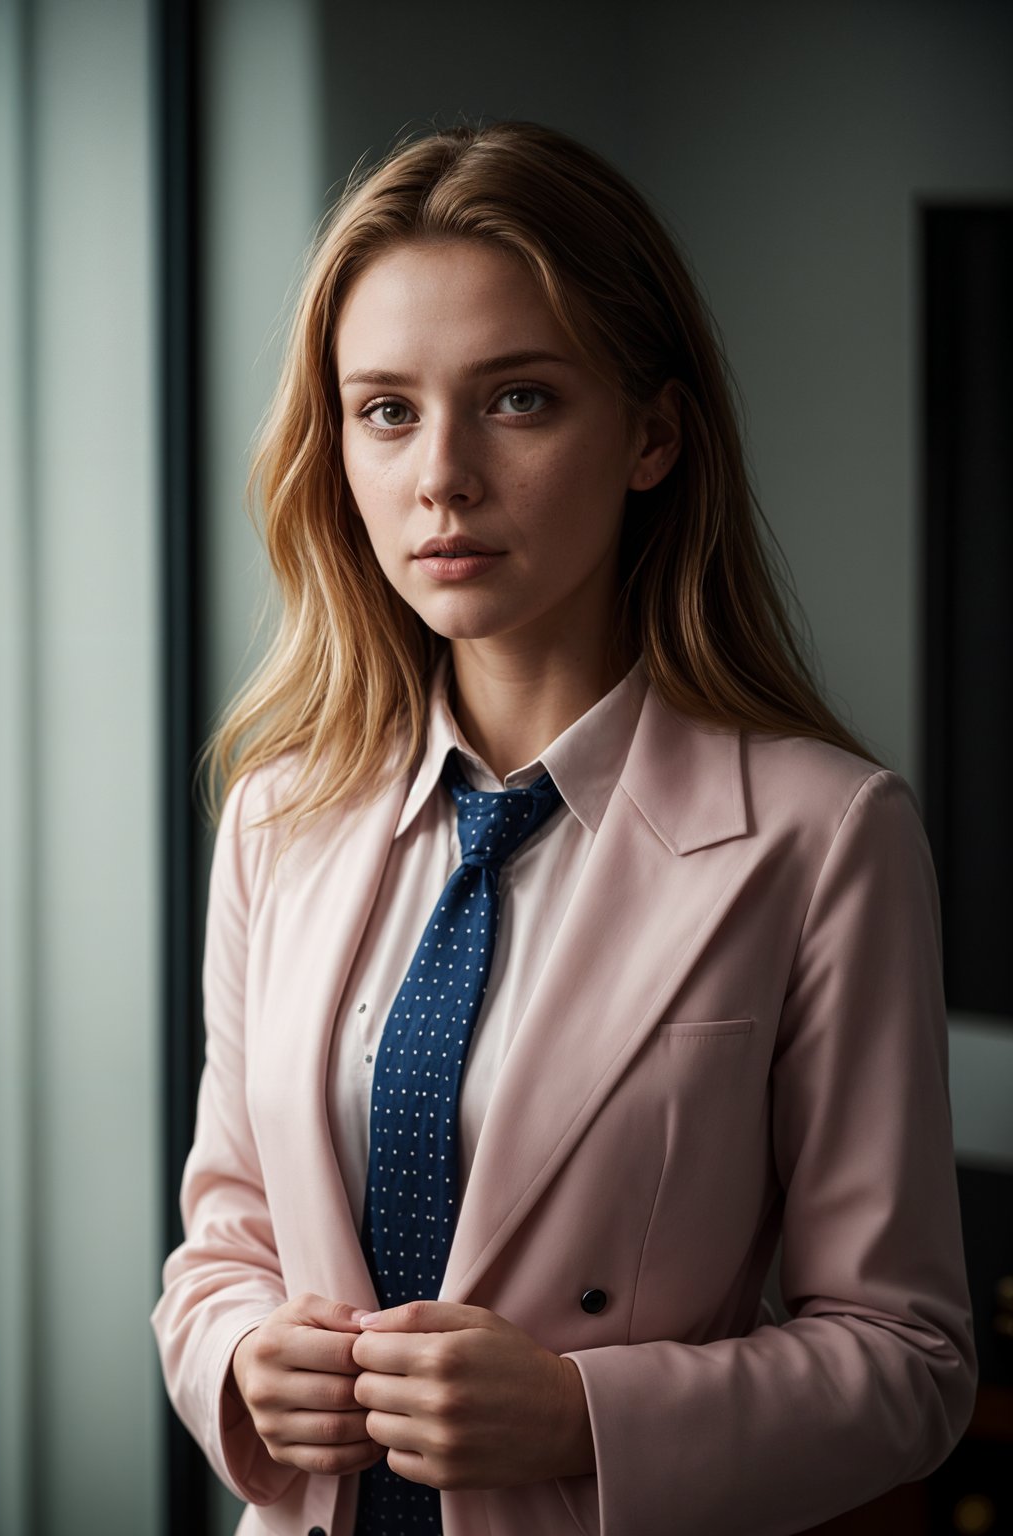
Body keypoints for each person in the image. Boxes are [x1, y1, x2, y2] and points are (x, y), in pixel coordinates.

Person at [151, 120, 976, 1536]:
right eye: (387, 410)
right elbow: (224, 1235)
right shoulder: (278, 813)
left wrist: (584, 1414)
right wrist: (235, 1358)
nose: (442, 478)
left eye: (517, 400)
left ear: (653, 434)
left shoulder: (824, 837)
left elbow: (910, 1364)